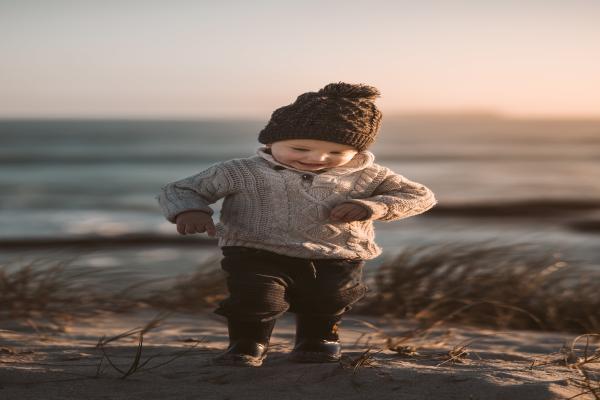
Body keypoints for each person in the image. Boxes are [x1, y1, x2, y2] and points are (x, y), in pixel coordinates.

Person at [157, 82, 437, 367]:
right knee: (255, 299)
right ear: (271, 142)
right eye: (300, 148)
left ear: (356, 150)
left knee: (329, 300)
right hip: (255, 250)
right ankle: (247, 343)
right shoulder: (240, 171)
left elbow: (420, 196)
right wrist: (190, 211)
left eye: (336, 152)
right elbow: (180, 189)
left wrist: (372, 206)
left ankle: (318, 341)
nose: (316, 158)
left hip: (337, 253)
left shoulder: (369, 175)